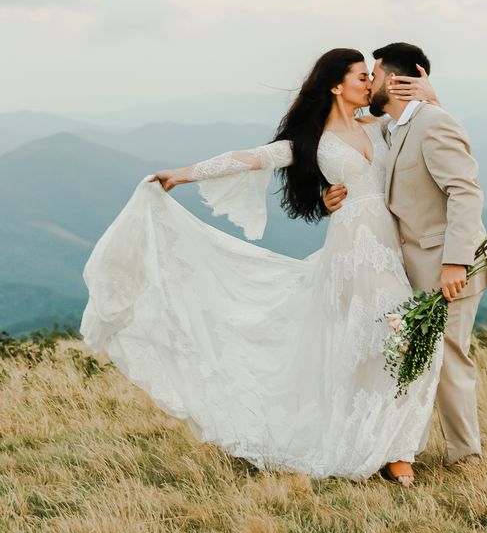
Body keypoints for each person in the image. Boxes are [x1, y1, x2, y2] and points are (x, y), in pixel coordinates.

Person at [81, 49, 440, 485]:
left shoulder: (381, 127)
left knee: (399, 335)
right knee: (373, 338)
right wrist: (183, 174)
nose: (371, 84)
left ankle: (391, 445)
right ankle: (388, 451)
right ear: (335, 85)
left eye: (370, 76)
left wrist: (431, 98)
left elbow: (426, 131)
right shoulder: (311, 140)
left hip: (388, 246)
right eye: (362, 77)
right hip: (350, 251)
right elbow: (250, 157)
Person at [324, 43, 487, 466]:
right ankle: (401, 448)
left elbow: (465, 192)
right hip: (413, 268)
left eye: (376, 75)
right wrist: (328, 195)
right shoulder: (392, 127)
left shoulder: (433, 124)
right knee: (413, 357)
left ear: (398, 81)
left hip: (451, 267)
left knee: (449, 358)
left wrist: (455, 262)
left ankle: (466, 457)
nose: (370, 84)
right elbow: (351, 145)